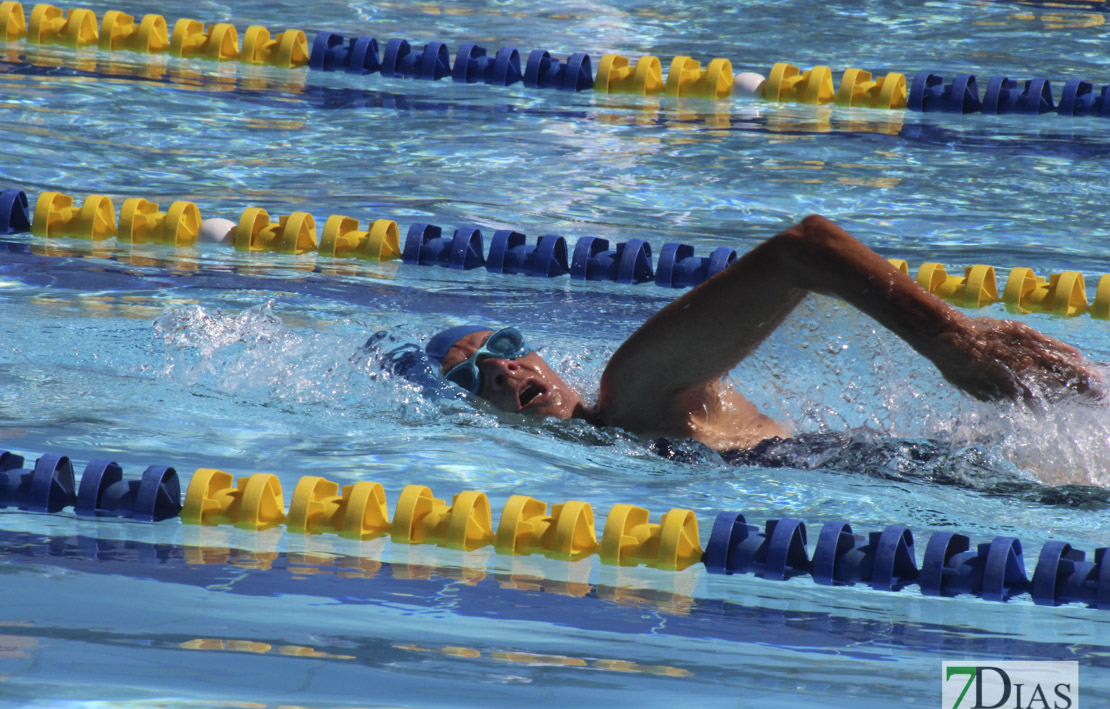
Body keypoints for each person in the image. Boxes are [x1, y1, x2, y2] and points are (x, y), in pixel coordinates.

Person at [424, 215, 1100, 453]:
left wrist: (952, 341)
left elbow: (805, 249)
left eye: (504, 348)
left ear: (537, 354)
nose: (503, 371)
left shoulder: (633, 389)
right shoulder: (617, 439)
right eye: (472, 375)